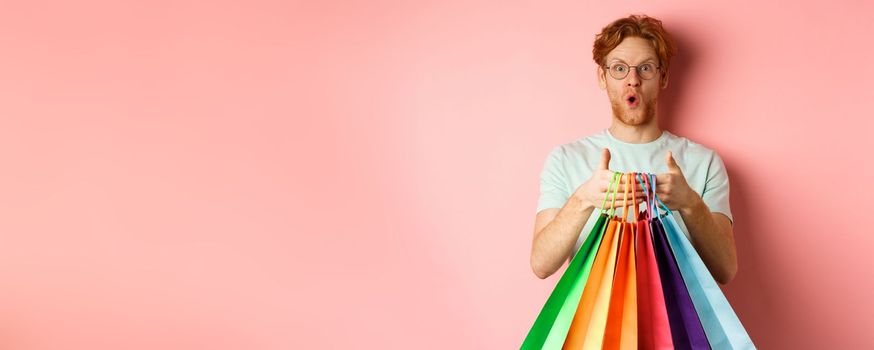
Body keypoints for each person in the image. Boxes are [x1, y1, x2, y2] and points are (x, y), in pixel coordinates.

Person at [530, 14, 737, 285]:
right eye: (619, 68)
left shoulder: (704, 162)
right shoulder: (566, 160)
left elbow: (725, 270)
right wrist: (584, 199)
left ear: (662, 77)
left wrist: (689, 203)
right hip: (593, 327)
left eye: (645, 68)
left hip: (679, 327)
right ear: (602, 77)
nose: (633, 80)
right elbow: (541, 264)